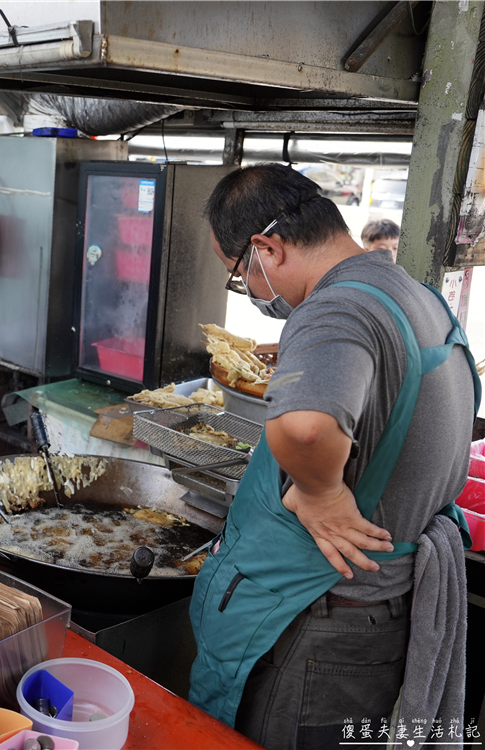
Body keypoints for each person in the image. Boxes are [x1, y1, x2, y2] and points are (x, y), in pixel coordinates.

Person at [189, 164, 479, 749]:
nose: (248, 290)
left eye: (239, 275)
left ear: (266, 248)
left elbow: (303, 429)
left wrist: (321, 493)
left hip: (318, 621)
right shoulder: (416, 297)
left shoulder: (333, 308)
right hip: (375, 614)